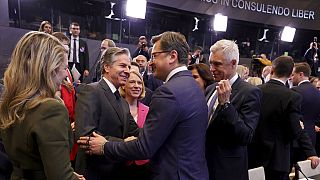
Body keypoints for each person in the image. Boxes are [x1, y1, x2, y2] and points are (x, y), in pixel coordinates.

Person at [78, 31, 209, 180]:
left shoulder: (169, 92)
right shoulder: (193, 86)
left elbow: (144, 147)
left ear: (172, 56)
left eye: (155, 55)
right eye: (122, 65)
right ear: (107, 67)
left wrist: (106, 145)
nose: (150, 62)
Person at [0, 31, 84, 179]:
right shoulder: (51, 109)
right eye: (64, 68)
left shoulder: (11, 103)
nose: (66, 74)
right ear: (50, 69)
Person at [74, 47, 140, 179]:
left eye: (128, 66)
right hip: (93, 173)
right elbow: (84, 136)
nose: (127, 71)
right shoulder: (91, 91)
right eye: (122, 65)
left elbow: (136, 132)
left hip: (117, 172)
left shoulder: (123, 102)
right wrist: (123, 143)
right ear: (107, 67)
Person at [250, 56, 319, 180]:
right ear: (290, 74)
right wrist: (311, 152)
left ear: (272, 70)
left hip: (254, 155)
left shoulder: (255, 90)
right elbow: (295, 130)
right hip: (278, 159)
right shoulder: (292, 96)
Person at [205, 39, 262, 180]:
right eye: (211, 63)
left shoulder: (250, 92)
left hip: (227, 171)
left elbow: (246, 136)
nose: (212, 68)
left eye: (217, 64)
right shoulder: (210, 88)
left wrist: (226, 105)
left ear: (234, 63)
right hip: (203, 165)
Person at [119, 70, 150, 179]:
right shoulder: (115, 108)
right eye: (132, 82)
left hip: (143, 167)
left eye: (139, 83)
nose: (137, 86)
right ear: (123, 86)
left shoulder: (149, 111)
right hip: (119, 163)